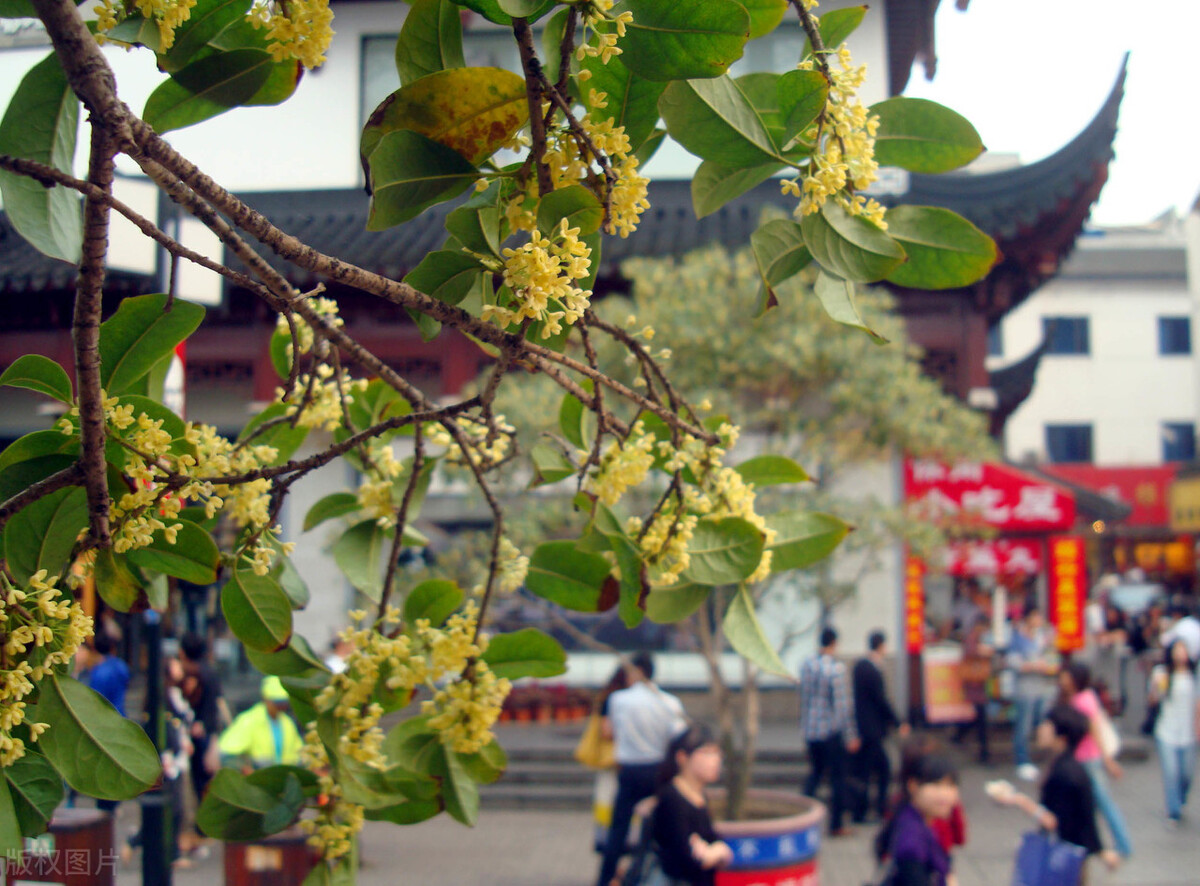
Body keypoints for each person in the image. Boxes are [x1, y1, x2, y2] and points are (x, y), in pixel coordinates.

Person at [991, 704, 1118, 880]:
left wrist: (1017, 800)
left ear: (1062, 738)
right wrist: (1101, 851)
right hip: (1073, 857)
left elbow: (1052, 821)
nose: (1041, 729)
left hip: (1062, 859)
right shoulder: (1069, 767)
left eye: (1047, 725)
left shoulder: (1063, 772)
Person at [596, 652, 686, 886]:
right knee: (661, 828)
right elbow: (678, 739)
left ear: (638, 672)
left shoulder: (617, 700)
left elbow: (607, 733)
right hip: (659, 771)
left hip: (629, 770)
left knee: (618, 830)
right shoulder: (669, 703)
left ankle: (605, 879)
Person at [1060, 661, 1132, 859]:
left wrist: (1107, 760)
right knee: (1092, 802)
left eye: (1067, 675)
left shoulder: (1083, 701)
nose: (1063, 679)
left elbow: (1095, 730)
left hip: (1088, 759)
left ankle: (1123, 844)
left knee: (1103, 801)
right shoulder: (1084, 697)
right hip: (1084, 758)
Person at [649, 724, 733, 886]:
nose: (716, 760)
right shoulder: (672, 799)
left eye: (717, 753)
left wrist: (714, 852)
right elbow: (686, 858)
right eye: (707, 753)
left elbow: (709, 843)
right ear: (682, 757)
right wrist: (715, 853)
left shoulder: (699, 795)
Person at [799, 626, 859, 836]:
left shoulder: (807, 665)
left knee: (815, 774)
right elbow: (843, 706)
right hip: (830, 732)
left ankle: (800, 817)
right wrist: (851, 735)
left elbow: (805, 698)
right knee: (838, 778)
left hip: (810, 730)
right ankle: (836, 824)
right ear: (834, 643)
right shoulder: (836, 669)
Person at [871, 748, 960, 886]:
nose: (945, 794)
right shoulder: (912, 841)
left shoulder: (912, 821)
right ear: (913, 785)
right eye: (936, 785)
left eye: (950, 785)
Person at [851, 629, 909, 823]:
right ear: (881, 646)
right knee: (878, 770)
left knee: (872, 770)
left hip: (865, 727)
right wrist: (898, 721)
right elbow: (881, 700)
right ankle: (871, 810)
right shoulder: (872, 669)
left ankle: (872, 809)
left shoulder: (860, 666)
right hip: (872, 729)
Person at [1147, 638, 1200, 826]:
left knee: (1186, 774)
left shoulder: (1193, 675)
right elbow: (1153, 701)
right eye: (1177, 650)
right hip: (1166, 731)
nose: (1180, 654)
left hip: (1188, 733)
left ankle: (1181, 799)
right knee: (1171, 772)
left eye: (1183, 650)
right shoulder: (1161, 673)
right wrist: (1155, 687)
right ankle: (1173, 811)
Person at [77, 633, 131, 813]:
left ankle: (105, 800)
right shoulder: (121, 666)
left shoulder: (97, 672)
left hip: (103, 724)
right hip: (120, 718)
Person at [1006, 604, 1059, 781]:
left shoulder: (1043, 637)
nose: (1039, 620)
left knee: (1039, 721)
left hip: (1041, 688)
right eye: (1036, 616)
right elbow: (1013, 663)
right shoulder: (1017, 638)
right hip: (1024, 689)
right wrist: (1034, 665)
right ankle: (1022, 761)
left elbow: (1053, 659)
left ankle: (1040, 757)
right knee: (1023, 725)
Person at [175, 632, 224, 803]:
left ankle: (203, 820)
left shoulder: (193, 673)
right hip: (209, 729)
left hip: (198, 731)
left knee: (200, 778)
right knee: (207, 778)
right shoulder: (211, 672)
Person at [217, 676, 303, 770]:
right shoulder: (250, 720)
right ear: (266, 699)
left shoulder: (287, 723)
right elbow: (226, 752)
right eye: (277, 703)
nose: (281, 707)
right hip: (258, 779)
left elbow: (300, 754)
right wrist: (244, 768)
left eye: (284, 703)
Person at [951, 618, 992, 764]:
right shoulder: (972, 639)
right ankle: (984, 753)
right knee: (980, 718)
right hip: (974, 684)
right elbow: (970, 653)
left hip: (979, 684)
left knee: (978, 717)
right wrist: (982, 651)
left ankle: (959, 735)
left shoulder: (980, 639)